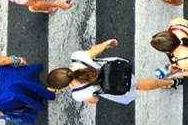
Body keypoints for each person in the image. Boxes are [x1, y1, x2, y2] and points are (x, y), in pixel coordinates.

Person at [47, 39, 178, 104]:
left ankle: (168, 82)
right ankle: (168, 81)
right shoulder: (77, 58)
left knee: (139, 85)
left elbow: (94, 100)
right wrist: (105, 44)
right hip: (115, 68)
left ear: (65, 86)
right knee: (138, 82)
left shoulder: (77, 94)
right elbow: (94, 50)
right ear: (60, 68)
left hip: (115, 86)